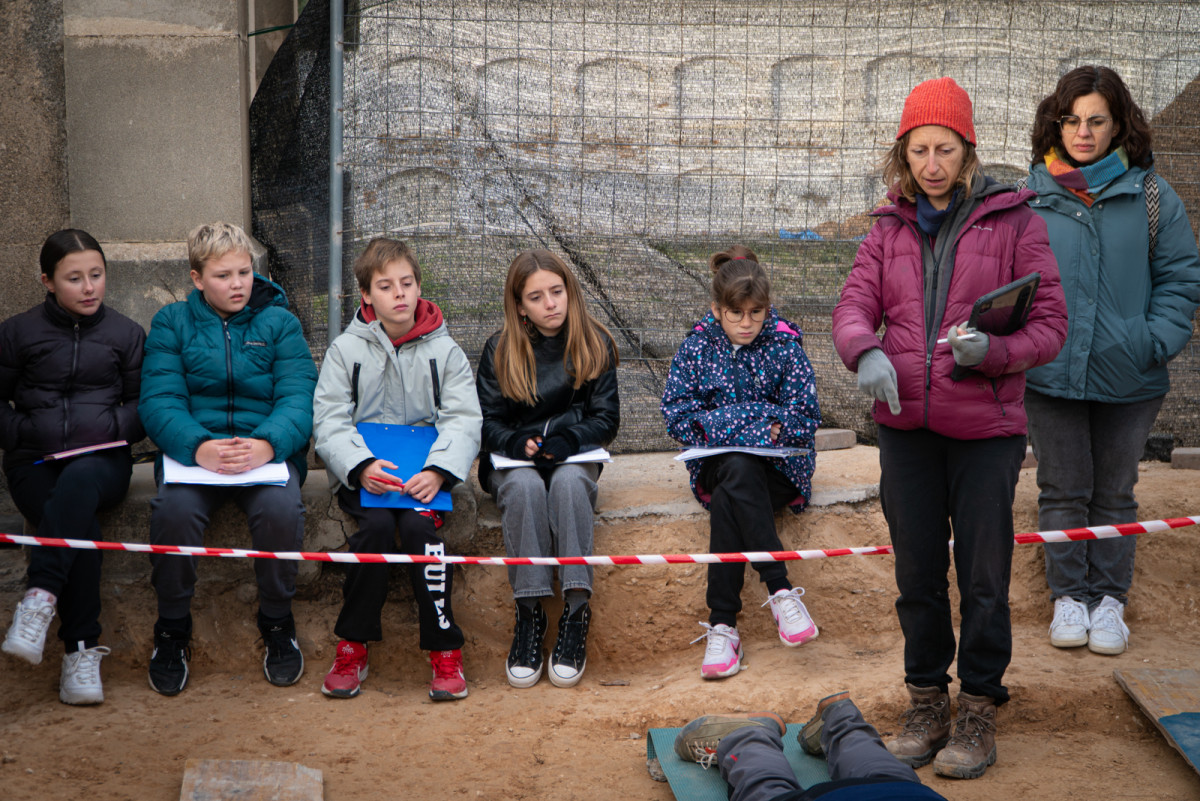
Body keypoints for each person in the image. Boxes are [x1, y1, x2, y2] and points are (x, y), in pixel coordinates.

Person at [831, 77, 1068, 779]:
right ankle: (928, 698)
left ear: (968, 152)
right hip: (906, 427)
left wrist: (992, 353)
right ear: (903, 155)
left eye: (945, 149)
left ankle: (979, 707)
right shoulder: (886, 227)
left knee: (985, 574)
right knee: (917, 573)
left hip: (986, 429)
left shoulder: (1017, 221)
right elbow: (851, 307)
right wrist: (865, 350)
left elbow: (1051, 324)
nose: (931, 164)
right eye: (918, 150)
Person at [1023, 65, 1200, 657]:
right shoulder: (1031, 196)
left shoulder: (1152, 195)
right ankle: (1068, 598)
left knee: (1116, 493)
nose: (1083, 132)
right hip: (1051, 372)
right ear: (1056, 122)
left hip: (1132, 374)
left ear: (1119, 124)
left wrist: (1151, 341)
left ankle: (1110, 602)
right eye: (1072, 120)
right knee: (1062, 488)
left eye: (1096, 120)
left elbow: (1179, 278)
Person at [139, 221, 317, 696]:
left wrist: (267, 444)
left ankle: (277, 623)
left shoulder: (280, 322)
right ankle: (173, 631)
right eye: (223, 275)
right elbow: (159, 400)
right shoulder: (171, 323)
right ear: (197, 278)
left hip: (264, 457)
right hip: (194, 457)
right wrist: (198, 446)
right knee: (173, 515)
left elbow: (300, 396)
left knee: (282, 512)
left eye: (245, 272)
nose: (238, 284)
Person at [313, 238, 481, 701]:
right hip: (366, 481)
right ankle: (352, 646)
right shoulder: (345, 350)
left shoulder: (446, 351)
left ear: (420, 287)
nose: (399, 294)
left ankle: (445, 653)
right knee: (375, 533)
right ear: (366, 295)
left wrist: (440, 471)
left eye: (407, 283)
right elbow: (328, 419)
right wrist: (360, 465)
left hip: (426, 481)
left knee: (422, 536)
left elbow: (464, 418)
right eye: (386, 286)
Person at [661, 247, 821, 680]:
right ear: (716, 310)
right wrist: (755, 424)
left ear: (768, 308)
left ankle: (723, 626)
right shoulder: (696, 347)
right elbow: (676, 413)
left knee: (736, 483)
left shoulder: (786, 346)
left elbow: (805, 416)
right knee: (736, 465)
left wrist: (729, 426)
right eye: (736, 313)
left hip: (781, 472)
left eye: (756, 312)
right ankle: (782, 593)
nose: (747, 323)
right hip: (718, 465)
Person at [0, 230, 145, 705]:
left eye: (97, 275)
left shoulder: (126, 334)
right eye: (74, 278)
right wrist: (26, 433)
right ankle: (80, 653)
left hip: (103, 461)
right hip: (33, 462)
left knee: (81, 481)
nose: (89, 288)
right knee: (75, 522)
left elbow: (146, 404)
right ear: (47, 281)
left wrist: (105, 428)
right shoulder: (16, 333)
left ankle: (39, 599)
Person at [476, 249, 620, 689]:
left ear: (570, 291)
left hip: (572, 456)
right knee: (523, 488)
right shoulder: (499, 349)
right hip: (515, 461)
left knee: (570, 484)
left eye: (557, 292)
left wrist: (569, 440)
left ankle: (576, 610)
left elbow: (607, 418)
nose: (550, 304)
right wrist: (517, 442)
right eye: (536, 297)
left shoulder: (596, 341)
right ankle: (530, 614)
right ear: (520, 305)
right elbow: (486, 423)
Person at [673, 693, 948, 801]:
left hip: (910, 793)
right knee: (763, 789)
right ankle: (748, 737)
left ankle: (842, 719)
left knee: (883, 773)